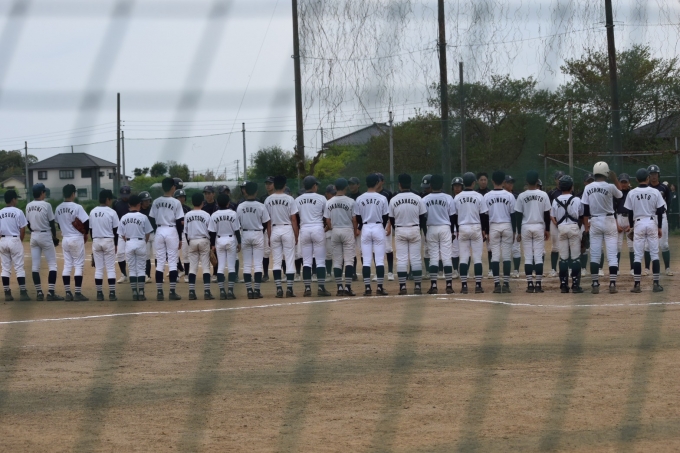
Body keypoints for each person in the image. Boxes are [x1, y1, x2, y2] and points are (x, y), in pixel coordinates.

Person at [581, 162, 622, 294]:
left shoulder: (588, 187)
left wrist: (586, 227)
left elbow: (585, 209)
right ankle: (612, 284)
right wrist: (615, 180)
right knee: (612, 254)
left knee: (595, 255)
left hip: (595, 220)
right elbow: (620, 194)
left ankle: (595, 284)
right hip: (609, 220)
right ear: (606, 173)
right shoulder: (610, 186)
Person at [625, 168, 666, 293]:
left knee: (637, 255)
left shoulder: (632, 193)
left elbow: (630, 212)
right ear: (648, 178)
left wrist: (631, 226)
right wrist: (659, 227)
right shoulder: (655, 192)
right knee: (654, 254)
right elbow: (660, 211)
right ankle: (656, 284)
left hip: (638, 223)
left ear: (637, 179)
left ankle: (637, 285)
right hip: (652, 221)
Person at [389, 173, 427, 295]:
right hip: (414, 228)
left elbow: (391, 218)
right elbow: (423, 217)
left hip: (400, 229)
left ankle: (402, 287)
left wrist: (397, 228)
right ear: (410, 184)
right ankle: (417, 286)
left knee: (401, 259)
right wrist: (419, 228)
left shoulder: (393, 199)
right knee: (416, 259)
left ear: (399, 184)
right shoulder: (418, 198)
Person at [514, 171, 551, 293]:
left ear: (526, 181)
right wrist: (547, 229)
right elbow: (547, 214)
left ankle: (530, 285)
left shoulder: (521, 196)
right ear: (537, 181)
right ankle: (538, 285)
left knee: (528, 257)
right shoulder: (543, 194)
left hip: (525, 226)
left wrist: (519, 232)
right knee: (538, 257)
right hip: (539, 226)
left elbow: (518, 215)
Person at [25, 183, 63, 301]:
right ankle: (51, 293)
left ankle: (39, 293)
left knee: (35, 266)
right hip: (45, 235)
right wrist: (54, 237)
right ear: (41, 193)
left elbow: (28, 223)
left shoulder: (28, 205)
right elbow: (52, 223)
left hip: (34, 236)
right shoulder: (47, 205)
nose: (45, 193)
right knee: (52, 265)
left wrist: (33, 230)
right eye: (44, 192)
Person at [354, 174, 390, 296]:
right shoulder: (382, 198)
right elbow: (385, 216)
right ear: (377, 183)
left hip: (365, 227)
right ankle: (379, 287)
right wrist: (381, 226)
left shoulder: (359, 198)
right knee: (379, 260)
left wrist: (363, 225)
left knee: (366, 260)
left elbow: (358, 217)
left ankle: (367, 288)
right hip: (378, 226)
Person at [452, 172, 488, 294]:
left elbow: (454, 216)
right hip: (476, 227)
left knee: (463, 258)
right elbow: (483, 215)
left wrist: (457, 229)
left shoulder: (457, 197)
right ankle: (478, 286)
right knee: (477, 258)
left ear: (463, 184)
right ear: (474, 183)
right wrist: (484, 229)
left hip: (462, 227)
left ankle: (464, 286)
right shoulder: (479, 196)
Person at [150, 178, 185, 301]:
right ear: (173, 188)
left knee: (160, 262)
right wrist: (179, 238)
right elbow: (179, 221)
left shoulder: (156, 201)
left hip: (159, 230)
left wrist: (157, 231)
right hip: (171, 230)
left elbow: (152, 219)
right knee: (172, 262)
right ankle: (172, 292)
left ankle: (159, 293)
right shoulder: (176, 202)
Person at [296, 175, 331, 297]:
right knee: (320, 261)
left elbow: (296, 217)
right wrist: (326, 228)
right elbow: (327, 217)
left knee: (306, 261)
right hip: (317, 228)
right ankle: (321, 288)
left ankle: (307, 289)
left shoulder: (298, 199)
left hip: (304, 229)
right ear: (314, 186)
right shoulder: (321, 198)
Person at [264, 175, 299, 298]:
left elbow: (268, 221)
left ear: (274, 185)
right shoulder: (290, 199)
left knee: (277, 261)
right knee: (289, 260)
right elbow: (293, 219)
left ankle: (279, 289)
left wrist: (269, 236)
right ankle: (289, 289)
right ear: (284, 185)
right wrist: (296, 234)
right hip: (287, 228)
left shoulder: (268, 200)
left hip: (274, 229)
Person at [55, 184, 90, 301]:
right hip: (76, 238)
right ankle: (78, 294)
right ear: (73, 194)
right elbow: (86, 222)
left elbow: (58, 224)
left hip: (65, 239)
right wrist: (85, 233)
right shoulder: (77, 207)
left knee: (67, 265)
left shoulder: (58, 208)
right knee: (78, 265)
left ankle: (68, 293)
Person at [484, 170, 516, 293]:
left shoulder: (487, 196)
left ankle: (497, 284)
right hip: (507, 225)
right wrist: (514, 231)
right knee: (507, 255)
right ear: (503, 181)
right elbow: (513, 215)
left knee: (495, 256)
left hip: (493, 226)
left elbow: (485, 216)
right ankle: (506, 284)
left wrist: (486, 231)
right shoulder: (509, 195)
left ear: (492, 181)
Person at [325, 178, 359, 296]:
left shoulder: (329, 202)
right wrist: (354, 231)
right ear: (346, 187)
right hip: (347, 229)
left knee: (337, 260)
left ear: (335, 188)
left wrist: (332, 227)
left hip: (335, 230)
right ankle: (348, 287)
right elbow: (354, 219)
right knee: (349, 259)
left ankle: (339, 287)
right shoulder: (351, 201)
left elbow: (327, 220)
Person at [550, 175, 584, 293]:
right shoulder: (577, 199)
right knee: (575, 258)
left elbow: (553, 216)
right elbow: (581, 215)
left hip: (561, 228)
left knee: (563, 258)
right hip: (573, 227)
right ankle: (575, 285)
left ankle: (563, 285)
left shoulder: (555, 200)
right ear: (571, 187)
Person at [422, 174, 455, 294]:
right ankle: (449, 285)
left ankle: (434, 286)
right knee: (446, 257)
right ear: (442, 185)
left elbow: (423, 218)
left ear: (430, 185)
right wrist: (452, 231)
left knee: (434, 258)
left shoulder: (425, 199)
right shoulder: (448, 198)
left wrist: (425, 232)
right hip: (445, 227)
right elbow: (452, 216)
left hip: (431, 228)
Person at [237, 182, 270, 299]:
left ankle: (249, 291)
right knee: (258, 264)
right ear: (256, 191)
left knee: (246, 264)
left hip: (245, 233)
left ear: (245, 191)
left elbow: (237, 223)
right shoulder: (261, 206)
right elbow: (266, 222)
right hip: (257, 233)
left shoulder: (240, 206)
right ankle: (257, 290)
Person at [119, 195, 153, 301]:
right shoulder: (143, 217)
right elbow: (148, 233)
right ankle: (141, 293)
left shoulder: (124, 217)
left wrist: (128, 241)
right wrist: (144, 242)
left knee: (132, 269)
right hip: (140, 242)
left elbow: (122, 234)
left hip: (129, 242)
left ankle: (134, 292)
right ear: (139, 205)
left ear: (129, 205)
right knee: (141, 268)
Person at [209, 193, 241, 300]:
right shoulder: (233, 213)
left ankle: (222, 291)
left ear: (217, 203)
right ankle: (230, 291)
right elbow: (237, 230)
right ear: (228, 203)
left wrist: (212, 245)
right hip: (231, 239)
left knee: (221, 266)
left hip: (219, 240)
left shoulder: (214, 215)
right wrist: (239, 242)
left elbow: (212, 232)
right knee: (231, 266)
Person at [89, 189, 119, 301]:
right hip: (108, 240)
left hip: (96, 240)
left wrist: (94, 241)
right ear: (107, 199)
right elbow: (116, 230)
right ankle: (112, 294)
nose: (111, 201)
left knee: (99, 269)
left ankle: (99, 294)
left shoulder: (92, 212)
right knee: (110, 268)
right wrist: (116, 244)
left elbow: (91, 230)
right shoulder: (112, 212)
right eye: (110, 199)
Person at [0, 190, 29, 301]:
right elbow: (22, 229)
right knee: (19, 267)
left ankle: (7, 293)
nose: (16, 200)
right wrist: (19, 241)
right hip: (14, 239)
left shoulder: (0, 212)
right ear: (13, 199)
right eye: (16, 198)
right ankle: (23, 293)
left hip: (3, 240)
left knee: (5, 268)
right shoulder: (18, 212)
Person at [185, 193, 214, 300]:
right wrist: (212, 244)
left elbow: (186, 232)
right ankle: (207, 292)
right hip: (204, 240)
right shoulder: (206, 214)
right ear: (203, 203)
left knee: (193, 268)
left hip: (192, 241)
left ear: (192, 203)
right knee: (206, 267)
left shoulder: (187, 215)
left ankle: (191, 292)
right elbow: (210, 230)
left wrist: (190, 243)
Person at [646, 165, 673, 276]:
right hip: (649, 216)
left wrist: (665, 213)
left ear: (658, 175)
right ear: (648, 176)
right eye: (651, 174)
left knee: (664, 244)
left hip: (662, 215)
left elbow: (668, 202)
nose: (654, 176)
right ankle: (647, 268)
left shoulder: (664, 187)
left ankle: (667, 268)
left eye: (655, 174)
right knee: (647, 245)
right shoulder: (646, 187)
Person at [615, 173, 634, 275]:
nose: (623, 184)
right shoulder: (616, 194)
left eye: (625, 182)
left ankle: (633, 269)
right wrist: (616, 224)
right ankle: (616, 269)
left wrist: (631, 224)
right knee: (618, 246)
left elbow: (635, 209)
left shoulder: (632, 193)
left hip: (630, 218)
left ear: (628, 182)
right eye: (622, 182)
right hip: (619, 218)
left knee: (631, 246)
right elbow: (612, 209)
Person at [503, 175, 522, 277]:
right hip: (504, 224)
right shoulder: (500, 195)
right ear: (503, 183)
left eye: (511, 182)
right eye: (508, 182)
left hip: (515, 224)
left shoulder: (517, 195)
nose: (510, 184)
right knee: (502, 249)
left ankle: (516, 270)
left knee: (515, 247)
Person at [547, 171, 565, 278]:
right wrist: (554, 221)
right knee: (555, 247)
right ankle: (553, 269)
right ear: (555, 180)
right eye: (559, 178)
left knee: (566, 245)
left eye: (562, 178)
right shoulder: (551, 193)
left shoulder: (568, 191)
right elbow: (549, 209)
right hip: (554, 222)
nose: (560, 180)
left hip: (566, 222)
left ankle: (565, 268)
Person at [112, 185, 131, 283]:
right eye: (123, 195)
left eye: (127, 195)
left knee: (131, 254)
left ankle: (133, 274)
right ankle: (123, 274)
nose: (125, 197)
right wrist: (115, 241)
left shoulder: (132, 203)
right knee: (120, 254)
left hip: (132, 232)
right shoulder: (116, 203)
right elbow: (114, 220)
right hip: (120, 232)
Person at [174, 188, 192, 282]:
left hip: (184, 234)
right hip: (174, 233)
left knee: (186, 254)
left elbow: (191, 221)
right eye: (179, 197)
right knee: (175, 255)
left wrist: (185, 223)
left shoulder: (187, 209)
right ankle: (176, 273)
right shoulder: (172, 209)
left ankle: (187, 274)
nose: (181, 199)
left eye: (183, 197)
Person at [139, 191, 156, 282]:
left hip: (155, 234)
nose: (147, 202)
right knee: (146, 256)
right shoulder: (139, 211)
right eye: (145, 200)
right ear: (141, 201)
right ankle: (147, 275)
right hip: (144, 235)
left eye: (148, 200)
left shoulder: (153, 208)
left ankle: (159, 275)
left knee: (157, 255)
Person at [450, 176, 464, 279]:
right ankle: (455, 270)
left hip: (463, 227)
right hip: (454, 228)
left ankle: (464, 270)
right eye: (455, 186)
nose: (457, 188)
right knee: (454, 250)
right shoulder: (450, 199)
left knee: (464, 250)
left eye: (459, 186)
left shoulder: (464, 198)